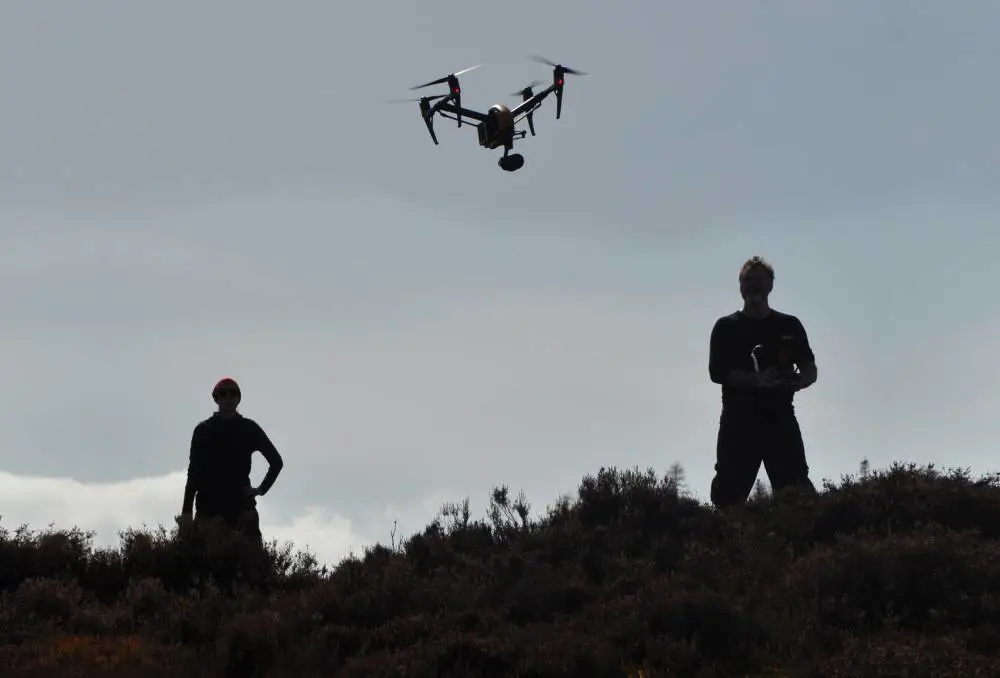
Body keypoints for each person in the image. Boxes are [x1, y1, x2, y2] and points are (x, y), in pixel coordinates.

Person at [707, 256, 818, 508]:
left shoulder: (789, 325)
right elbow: (717, 372)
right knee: (728, 497)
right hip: (738, 423)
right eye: (747, 280)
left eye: (758, 280)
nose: (753, 285)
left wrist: (800, 381)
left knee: (797, 495)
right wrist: (756, 381)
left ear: (770, 285)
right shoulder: (726, 327)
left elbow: (810, 368)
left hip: (780, 420)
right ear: (740, 286)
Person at [178, 377, 284, 543]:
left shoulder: (249, 428)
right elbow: (194, 473)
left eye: (233, 393)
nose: (228, 398)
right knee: (206, 564)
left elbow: (276, 462)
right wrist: (186, 512)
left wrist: (261, 489)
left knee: (251, 565)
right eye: (223, 393)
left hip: (242, 511)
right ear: (216, 398)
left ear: (238, 398)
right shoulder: (203, 430)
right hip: (208, 510)